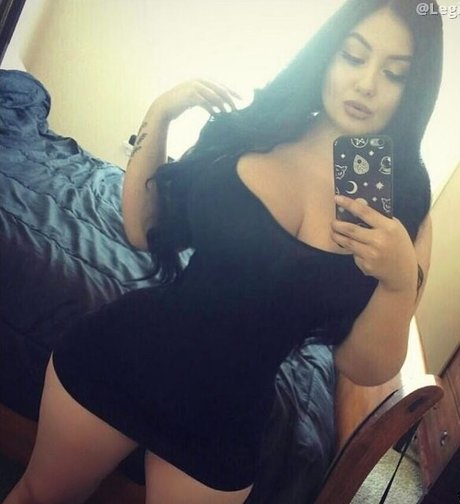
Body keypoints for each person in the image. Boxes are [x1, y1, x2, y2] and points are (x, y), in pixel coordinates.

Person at [5, 0, 443, 502]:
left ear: (414, 89)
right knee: (39, 495)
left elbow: (363, 367)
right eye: (353, 55)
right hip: (127, 355)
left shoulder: (404, 206)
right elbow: (144, 230)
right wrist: (160, 114)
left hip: (227, 417)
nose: (366, 84)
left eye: (394, 73)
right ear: (328, 54)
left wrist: (398, 282)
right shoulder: (259, 129)